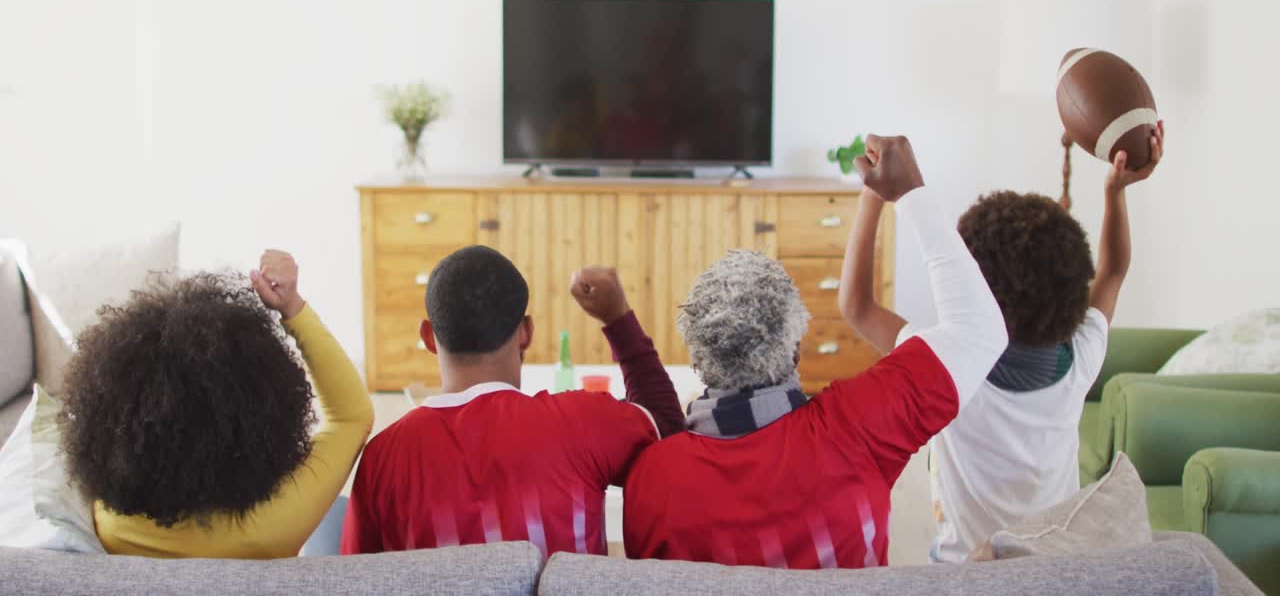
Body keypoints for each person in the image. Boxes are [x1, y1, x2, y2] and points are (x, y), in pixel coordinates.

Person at [622, 135, 1008, 568]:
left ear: (697, 359)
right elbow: (979, 331)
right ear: (794, 351)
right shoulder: (857, 427)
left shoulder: (652, 479)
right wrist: (908, 192)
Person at [843, 124, 1164, 562]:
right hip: (1053, 563)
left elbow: (857, 306)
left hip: (966, 570)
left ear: (975, 288)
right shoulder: (1081, 357)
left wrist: (871, 197)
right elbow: (1112, 272)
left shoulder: (945, 365)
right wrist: (1115, 191)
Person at [341, 245, 683, 557]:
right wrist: (617, 318)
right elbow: (667, 429)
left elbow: (359, 579)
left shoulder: (382, 458)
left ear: (428, 337)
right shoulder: (583, 423)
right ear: (527, 332)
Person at [58, 250, 373, 558]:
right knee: (339, 514)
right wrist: (292, 307)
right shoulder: (273, 526)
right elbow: (351, 417)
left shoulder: (108, 520)